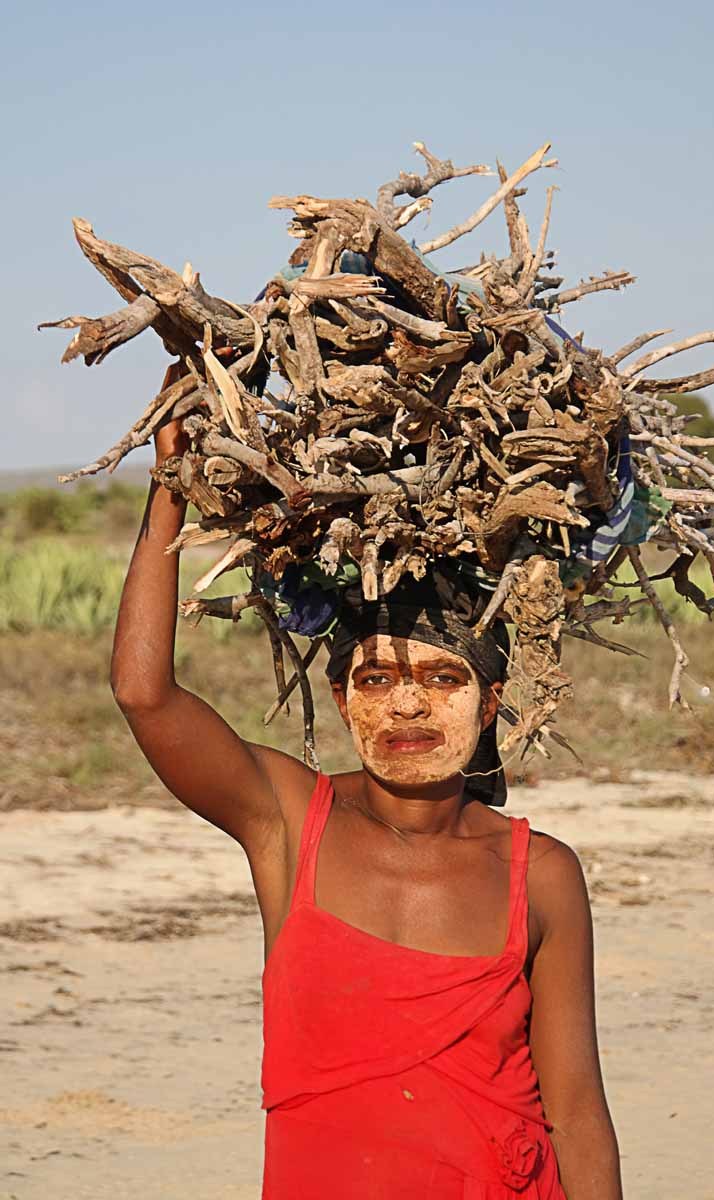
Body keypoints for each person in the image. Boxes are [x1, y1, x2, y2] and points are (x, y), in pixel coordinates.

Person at [110, 366, 623, 1199]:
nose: (409, 705)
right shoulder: (289, 822)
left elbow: (577, 1112)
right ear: (343, 699)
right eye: (377, 681)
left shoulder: (543, 872)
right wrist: (170, 483)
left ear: (492, 702)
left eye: (444, 680)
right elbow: (144, 693)